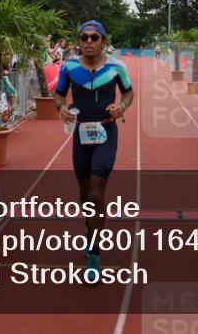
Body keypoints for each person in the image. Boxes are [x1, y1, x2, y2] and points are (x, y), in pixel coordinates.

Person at [54, 21, 133, 278]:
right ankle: (90, 229)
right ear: (79, 40)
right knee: (85, 194)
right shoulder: (69, 67)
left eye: (94, 37)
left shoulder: (116, 67)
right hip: (80, 134)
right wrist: (60, 108)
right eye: (84, 37)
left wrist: (122, 106)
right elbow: (58, 94)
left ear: (102, 40)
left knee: (97, 193)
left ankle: (94, 252)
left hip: (106, 132)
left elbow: (129, 93)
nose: (89, 41)